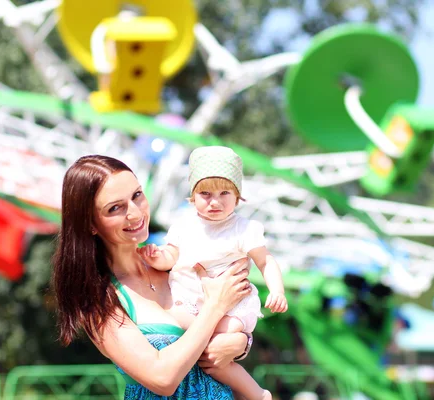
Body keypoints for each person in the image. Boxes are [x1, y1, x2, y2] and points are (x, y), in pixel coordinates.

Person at [51, 154, 255, 399]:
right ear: (90, 224)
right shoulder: (98, 298)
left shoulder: (176, 259)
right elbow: (162, 378)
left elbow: (236, 316)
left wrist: (242, 342)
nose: (135, 214)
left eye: (137, 195)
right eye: (115, 208)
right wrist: (215, 306)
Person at [138, 146, 288, 400]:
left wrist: (277, 290)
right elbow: (171, 256)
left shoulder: (244, 229)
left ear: (238, 196)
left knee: (219, 343)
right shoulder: (184, 226)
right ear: (193, 196)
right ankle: (260, 394)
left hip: (232, 307)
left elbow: (265, 261)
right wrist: (156, 256)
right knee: (206, 355)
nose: (215, 201)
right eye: (205, 193)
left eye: (224, 193)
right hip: (190, 303)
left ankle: (255, 393)